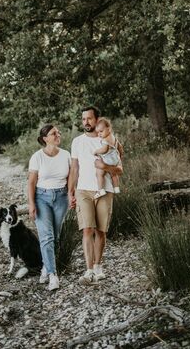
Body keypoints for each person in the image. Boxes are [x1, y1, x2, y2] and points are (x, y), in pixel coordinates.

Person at [68, 106, 123, 285]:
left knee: (101, 231)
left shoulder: (110, 141)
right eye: (83, 119)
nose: (86, 122)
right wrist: (70, 192)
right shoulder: (77, 142)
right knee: (87, 230)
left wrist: (104, 167)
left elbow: (120, 169)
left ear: (97, 119)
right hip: (83, 190)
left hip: (105, 190)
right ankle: (89, 270)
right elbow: (74, 168)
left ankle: (98, 266)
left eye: (89, 119)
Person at [28, 124, 71, 291]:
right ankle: (53, 275)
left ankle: (46, 266)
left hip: (61, 197)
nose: (58, 135)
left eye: (58, 132)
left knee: (56, 236)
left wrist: (70, 194)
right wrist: (31, 203)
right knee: (46, 236)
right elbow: (31, 182)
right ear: (45, 138)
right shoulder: (37, 157)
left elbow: (70, 178)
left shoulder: (66, 155)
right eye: (54, 133)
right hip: (41, 198)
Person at [93, 117, 122, 199]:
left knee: (99, 173)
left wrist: (96, 151)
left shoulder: (106, 139)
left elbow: (104, 150)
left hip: (109, 160)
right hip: (115, 160)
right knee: (113, 174)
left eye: (101, 131)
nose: (99, 134)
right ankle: (116, 188)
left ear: (108, 129)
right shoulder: (113, 137)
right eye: (98, 132)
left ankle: (101, 190)